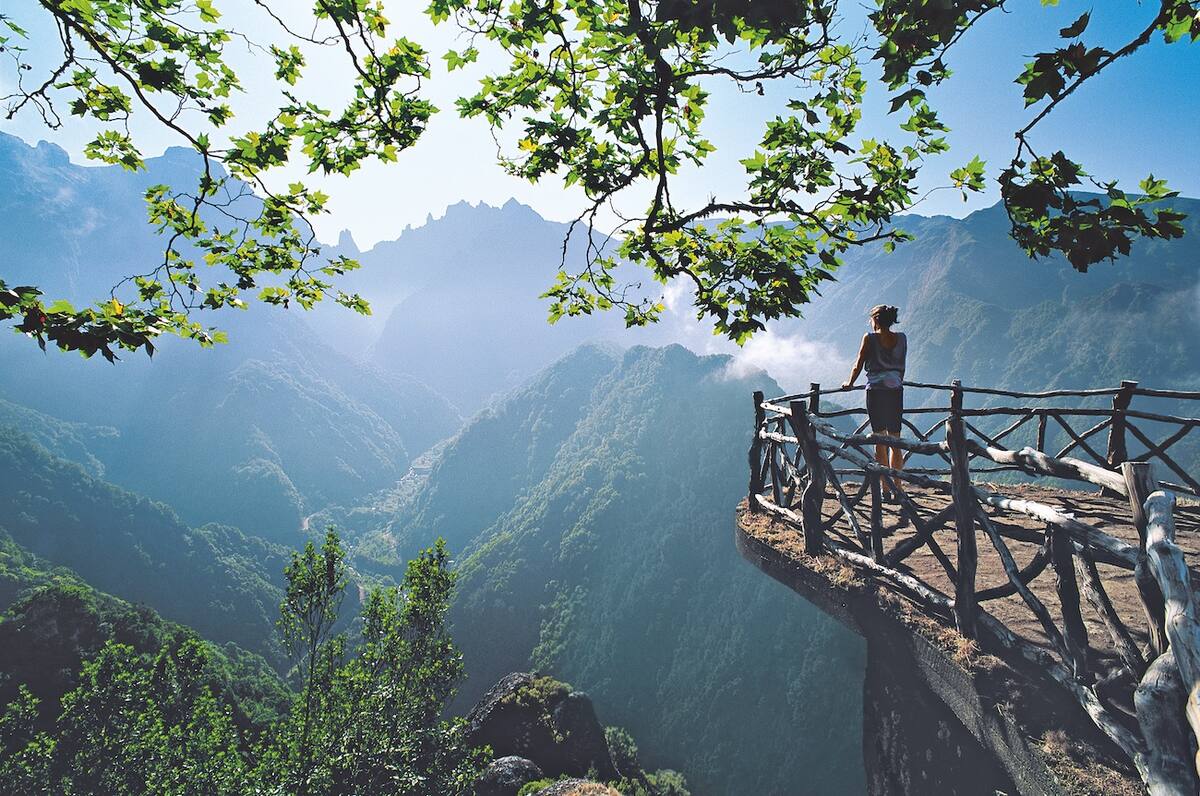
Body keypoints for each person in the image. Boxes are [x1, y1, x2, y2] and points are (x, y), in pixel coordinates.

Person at [842, 304, 906, 499]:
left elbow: (859, 364)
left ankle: (885, 488)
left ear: (875, 320)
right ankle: (898, 487)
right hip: (895, 391)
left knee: (880, 440)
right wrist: (896, 381)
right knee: (896, 440)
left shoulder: (869, 338)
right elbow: (902, 366)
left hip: (876, 393)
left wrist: (849, 383)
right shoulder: (902, 338)